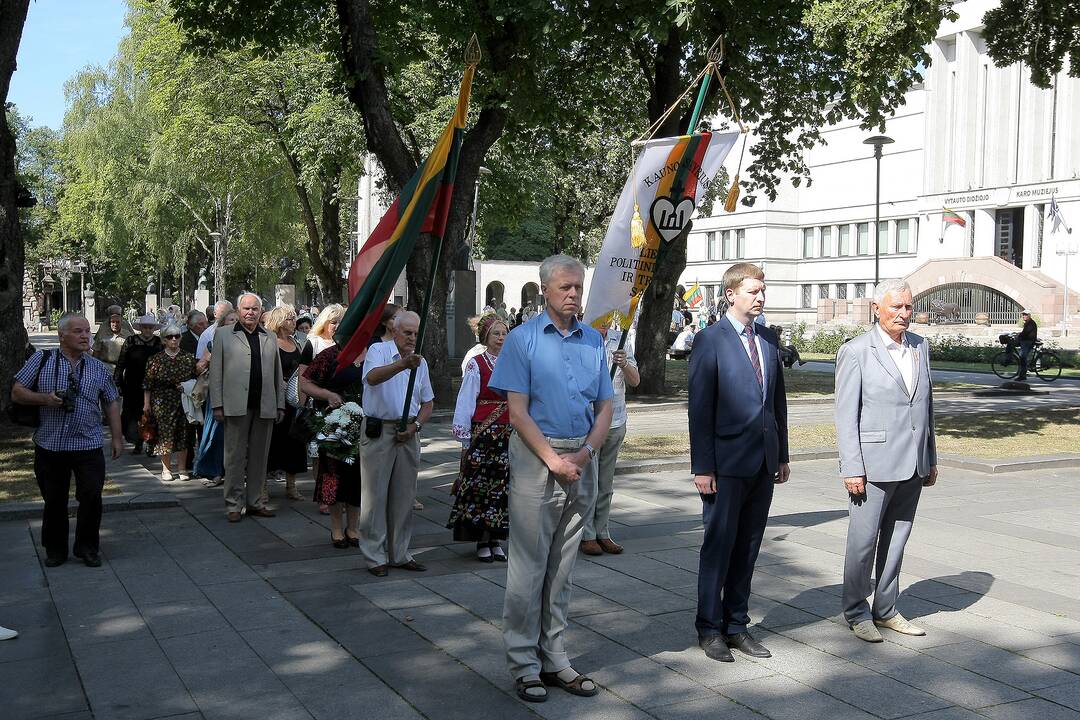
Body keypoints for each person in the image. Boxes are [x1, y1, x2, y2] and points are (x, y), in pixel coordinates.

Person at [489, 255, 613, 703]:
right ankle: (523, 663)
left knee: (563, 567)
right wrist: (554, 460)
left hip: (582, 456)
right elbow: (517, 412)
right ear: (545, 290)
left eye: (578, 287)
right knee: (528, 566)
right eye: (565, 287)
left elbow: (605, 408)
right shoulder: (521, 340)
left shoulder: (593, 340)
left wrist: (584, 453)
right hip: (536, 458)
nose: (574, 294)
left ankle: (554, 655)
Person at [689, 262, 790, 663]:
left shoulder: (766, 338)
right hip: (725, 464)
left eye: (763, 290)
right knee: (719, 546)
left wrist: (781, 454)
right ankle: (709, 628)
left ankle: (736, 625)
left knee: (748, 547)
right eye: (753, 290)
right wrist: (703, 467)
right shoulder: (709, 340)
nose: (761, 296)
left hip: (762, 462)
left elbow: (776, 401)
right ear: (731, 294)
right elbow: (699, 408)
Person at [835, 278, 937, 643]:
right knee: (863, 542)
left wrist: (931, 455)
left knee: (896, 541)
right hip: (872, 464)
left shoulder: (920, 347)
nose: (904, 314)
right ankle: (856, 611)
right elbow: (846, 415)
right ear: (877, 308)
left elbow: (925, 406)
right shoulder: (857, 351)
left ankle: (887, 608)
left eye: (908, 307)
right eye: (896, 306)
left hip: (913, 462)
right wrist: (852, 467)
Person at [12, 313, 123, 568]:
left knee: (92, 496)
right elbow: (17, 392)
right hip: (50, 444)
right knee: (54, 499)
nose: (85, 336)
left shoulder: (97, 367)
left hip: (88, 444)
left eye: (87, 331)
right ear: (62, 336)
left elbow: (111, 402)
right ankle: (55, 549)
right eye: (78, 331)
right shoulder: (42, 359)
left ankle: (87, 547)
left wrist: (117, 438)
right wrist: (45, 399)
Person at [358, 310, 434, 576]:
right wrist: (402, 364)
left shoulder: (420, 362)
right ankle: (374, 555)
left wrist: (416, 426)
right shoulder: (379, 351)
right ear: (394, 330)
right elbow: (372, 377)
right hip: (380, 430)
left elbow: (428, 401)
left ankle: (399, 552)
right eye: (407, 333)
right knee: (375, 496)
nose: (412, 338)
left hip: (408, 431)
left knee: (404, 495)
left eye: (416, 333)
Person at [209, 293, 285, 522]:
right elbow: (216, 373)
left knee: (260, 457)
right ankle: (233, 504)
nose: (250, 312)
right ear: (238, 310)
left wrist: (280, 404)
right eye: (246, 308)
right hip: (235, 405)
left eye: (255, 309)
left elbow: (277, 373)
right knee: (234, 457)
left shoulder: (269, 336)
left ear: (261, 311)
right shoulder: (223, 335)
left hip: (264, 405)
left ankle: (255, 502)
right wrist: (217, 404)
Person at [449, 313, 511, 562]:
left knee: (503, 487)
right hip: (485, 434)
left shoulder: (513, 362)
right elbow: (466, 400)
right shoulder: (476, 363)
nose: (501, 338)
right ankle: (482, 540)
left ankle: (496, 537)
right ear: (485, 336)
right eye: (496, 333)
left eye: (504, 333)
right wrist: (465, 435)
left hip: (509, 433)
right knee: (481, 487)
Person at [301, 335, 366, 548]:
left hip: (365, 427)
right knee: (333, 475)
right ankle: (337, 529)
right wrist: (327, 394)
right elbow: (305, 383)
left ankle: (354, 528)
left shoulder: (374, 354)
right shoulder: (330, 355)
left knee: (358, 477)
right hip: (333, 425)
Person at [580, 323, 639, 556]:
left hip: (616, 421)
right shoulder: (581, 339)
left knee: (606, 482)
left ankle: (602, 531)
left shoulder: (621, 339)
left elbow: (635, 381)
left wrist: (624, 364)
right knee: (588, 482)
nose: (604, 320)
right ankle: (586, 534)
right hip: (589, 423)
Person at [298, 303, 346, 515]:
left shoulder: (347, 345)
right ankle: (324, 496)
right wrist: (301, 403)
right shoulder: (313, 342)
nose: (336, 326)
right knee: (322, 455)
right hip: (320, 405)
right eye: (333, 322)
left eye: (340, 322)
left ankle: (341, 495)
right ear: (324, 323)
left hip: (344, 405)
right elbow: (303, 376)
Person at [143, 324, 198, 481]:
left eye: (177, 336)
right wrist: (146, 404)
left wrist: (187, 386)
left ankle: (182, 469)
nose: (174, 339)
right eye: (169, 337)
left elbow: (197, 378)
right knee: (164, 435)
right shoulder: (155, 359)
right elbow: (147, 383)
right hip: (162, 401)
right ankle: (166, 469)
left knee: (184, 434)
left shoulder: (188, 357)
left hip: (184, 400)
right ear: (163, 340)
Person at [265, 305, 307, 502]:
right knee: (271, 443)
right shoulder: (270, 341)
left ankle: (291, 486)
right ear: (280, 322)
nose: (294, 322)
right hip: (276, 399)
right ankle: (262, 487)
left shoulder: (296, 342)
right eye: (290, 319)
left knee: (295, 443)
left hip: (295, 400)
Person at [193, 308, 238, 485]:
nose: (234, 323)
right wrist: (210, 358)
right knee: (217, 434)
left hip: (238, 394)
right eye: (230, 320)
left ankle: (232, 471)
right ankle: (215, 471)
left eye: (236, 320)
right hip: (219, 393)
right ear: (222, 324)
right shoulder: (214, 341)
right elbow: (199, 367)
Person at [114, 314, 163, 454]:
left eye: (150, 327)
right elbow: (121, 361)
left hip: (152, 385)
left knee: (151, 415)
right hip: (132, 384)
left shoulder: (157, 342)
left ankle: (151, 444)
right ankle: (137, 442)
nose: (147, 330)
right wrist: (117, 381)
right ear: (140, 328)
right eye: (145, 327)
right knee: (133, 414)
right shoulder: (131, 341)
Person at [91, 310, 130, 375]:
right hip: (105, 367)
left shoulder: (128, 335)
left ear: (121, 323)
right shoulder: (102, 334)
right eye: (113, 322)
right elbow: (96, 353)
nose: (115, 324)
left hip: (122, 368)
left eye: (117, 322)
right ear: (109, 323)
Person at [1016, 310, 1038, 381]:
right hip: (1026, 341)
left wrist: (1018, 336)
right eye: (1023, 315)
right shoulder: (1028, 323)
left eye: (1025, 315)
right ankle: (1023, 373)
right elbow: (1024, 332)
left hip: (1028, 342)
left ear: (1029, 316)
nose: (1024, 316)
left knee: (1022, 357)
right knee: (1022, 356)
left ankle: (1022, 375)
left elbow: (1025, 333)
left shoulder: (1030, 323)